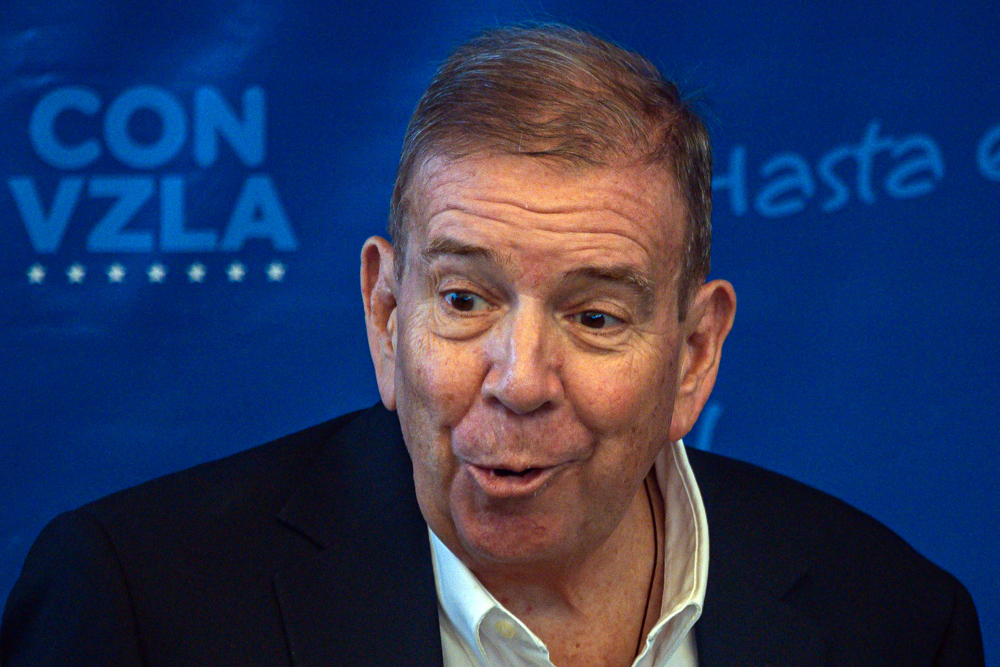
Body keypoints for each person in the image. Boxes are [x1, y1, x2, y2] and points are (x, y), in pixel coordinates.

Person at [0, 24, 984, 667]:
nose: (519, 381)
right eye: (466, 299)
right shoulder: (138, 605)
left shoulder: (895, 621)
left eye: (595, 316)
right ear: (387, 314)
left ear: (693, 354)